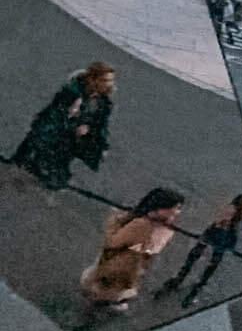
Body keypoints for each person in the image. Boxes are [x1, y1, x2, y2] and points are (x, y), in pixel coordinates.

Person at [11, 60, 115, 188]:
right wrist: (73, 120)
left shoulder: (104, 103)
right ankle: (32, 157)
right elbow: (54, 116)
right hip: (56, 131)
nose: (109, 84)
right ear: (93, 79)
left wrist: (95, 136)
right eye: (105, 80)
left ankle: (51, 162)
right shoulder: (72, 91)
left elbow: (102, 126)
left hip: (73, 138)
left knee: (57, 179)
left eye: (111, 81)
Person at [80, 186, 185, 313]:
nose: (177, 212)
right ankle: (94, 305)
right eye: (176, 208)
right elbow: (116, 243)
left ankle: (96, 298)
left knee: (105, 287)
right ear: (162, 207)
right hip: (119, 266)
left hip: (122, 265)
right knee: (105, 290)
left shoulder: (157, 225)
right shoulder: (142, 225)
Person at [156, 193, 242, 306]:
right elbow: (226, 227)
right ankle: (194, 290)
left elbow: (217, 223)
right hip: (221, 238)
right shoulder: (236, 213)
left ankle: (179, 280)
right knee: (210, 266)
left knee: (192, 259)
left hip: (213, 234)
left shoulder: (230, 208)